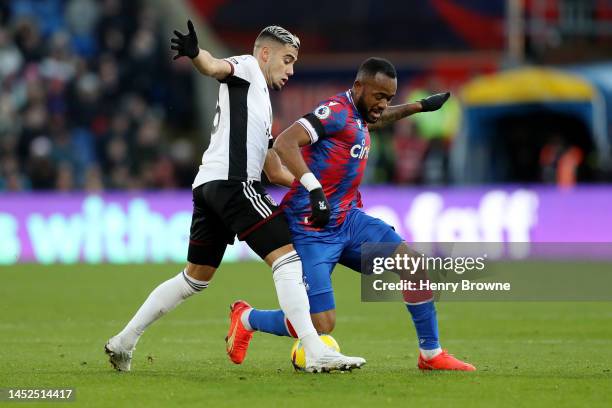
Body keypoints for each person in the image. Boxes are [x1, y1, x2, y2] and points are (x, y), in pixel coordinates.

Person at [104, 20, 365, 373]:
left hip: (208, 186)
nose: (291, 69)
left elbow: (273, 170)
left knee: (193, 278)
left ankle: (124, 341)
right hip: (234, 184)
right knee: (287, 259)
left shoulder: (260, 103)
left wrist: (312, 188)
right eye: (287, 60)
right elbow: (214, 66)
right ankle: (315, 349)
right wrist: (196, 54)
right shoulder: (246, 68)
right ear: (266, 53)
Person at [227, 57, 475, 371]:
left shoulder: (361, 113)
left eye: (389, 97)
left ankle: (431, 354)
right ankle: (247, 318)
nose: (383, 104)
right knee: (320, 323)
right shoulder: (334, 111)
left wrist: (419, 107)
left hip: (348, 220)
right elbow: (287, 142)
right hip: (310, 228)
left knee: (413, 266)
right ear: (358, 87)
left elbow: (379, 118)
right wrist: (314, 188)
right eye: (378, 96)